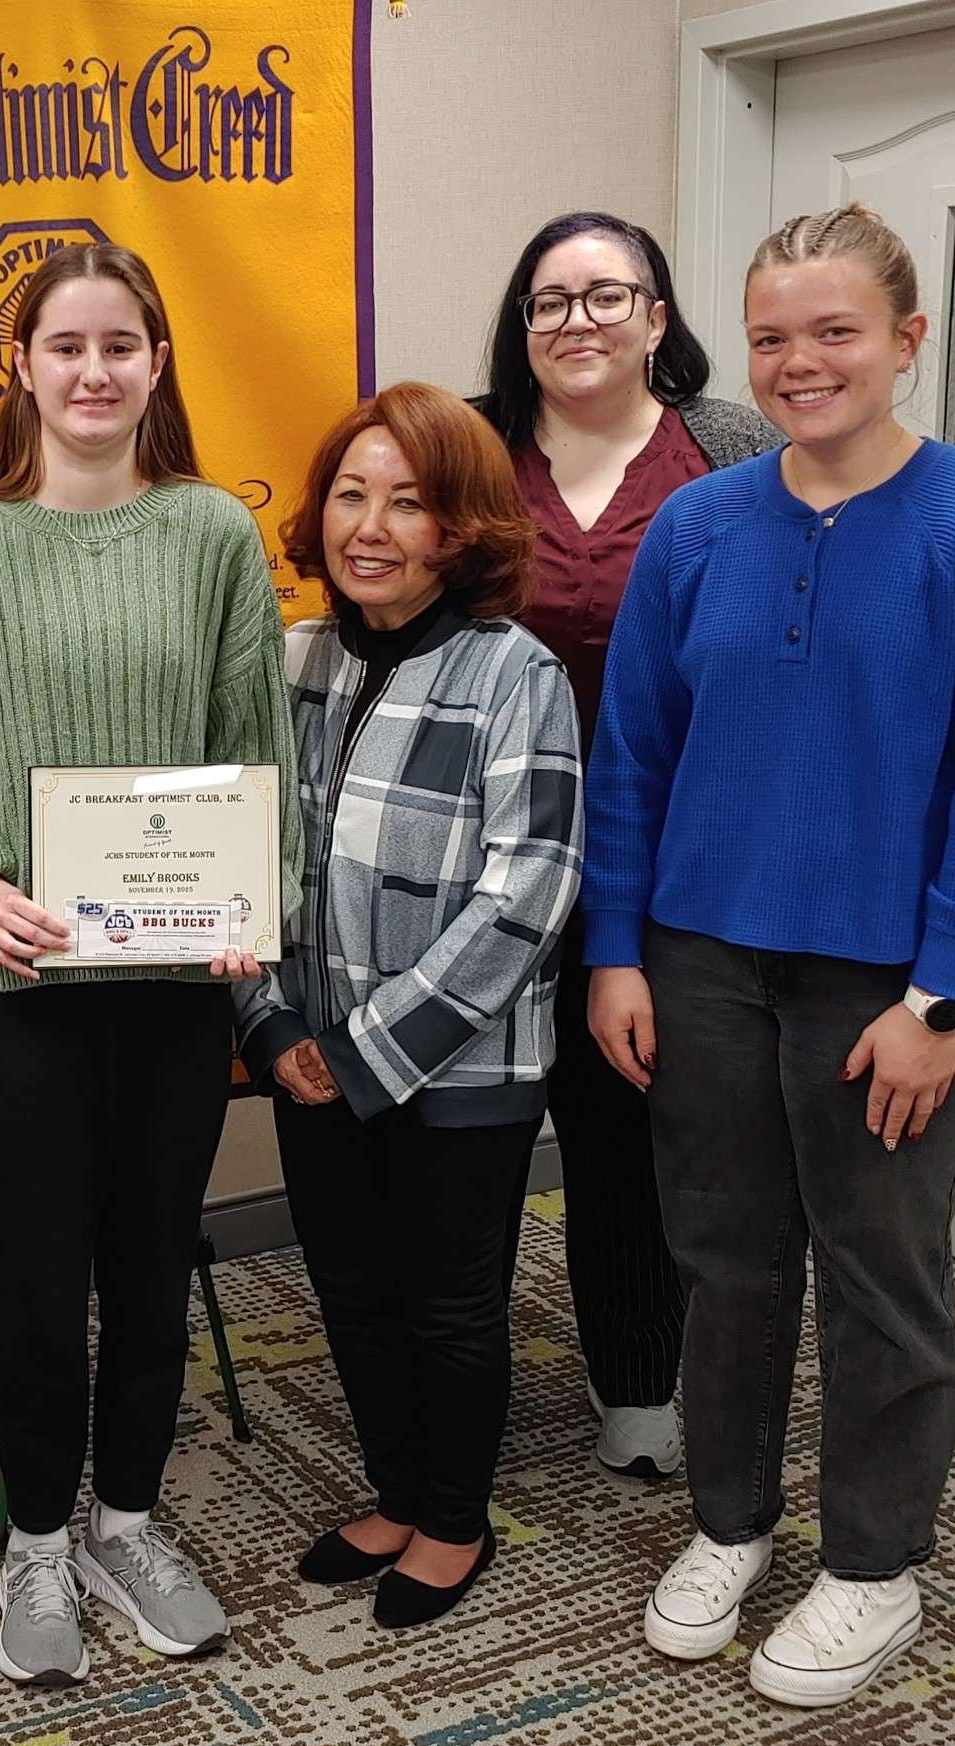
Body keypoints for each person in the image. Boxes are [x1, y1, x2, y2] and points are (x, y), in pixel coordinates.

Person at [0, 241, 300, 1687]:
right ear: (20, 364)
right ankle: (38, 1544)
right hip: (22, 999)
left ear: (158, 361)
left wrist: (262, 898)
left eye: (121, 343)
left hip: (179, 994)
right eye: (65, 345)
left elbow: (263, 752)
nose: (93, 371)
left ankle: (128, 1521)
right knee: (36, 1282)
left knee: (149, 1271)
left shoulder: (211, 538)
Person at [587, 203, 955, 1706]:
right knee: (726, 1264)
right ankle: (732, 1525)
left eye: (836, 332)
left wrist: (942, 996)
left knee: (886, 1277)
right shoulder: (699, 525)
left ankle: (875, 1565)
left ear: (908, 344)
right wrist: (617, 953)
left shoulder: (946, 527)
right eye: (774, 338)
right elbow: (633, 758)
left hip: (887, 986)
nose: (801, 364)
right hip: (705, 958)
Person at [234, 383, 583, 1627]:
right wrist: (275, 1029)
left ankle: (452, 1516)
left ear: (460, 528)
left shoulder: (513, 673)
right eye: (349, 493)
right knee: (352, 1289)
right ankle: (391, 1487)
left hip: (462, 1073)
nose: (371, 526)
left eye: (410, 502)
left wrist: (364, 1055)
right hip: (307, 1055)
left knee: (447, 1303)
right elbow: (248, 863)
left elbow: (527, 895)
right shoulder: (292, 661)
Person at [478, 212, 781, 1480]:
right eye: (551, 300)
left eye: (609, 296)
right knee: (474, 1138)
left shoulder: (736, 453)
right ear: (522, 326)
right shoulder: (472, 453)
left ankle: (641, 1384)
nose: (579, 321)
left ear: (659, 317)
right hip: (485, 862)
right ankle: (452, 1391)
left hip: (665, 869)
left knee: (629, 1134)